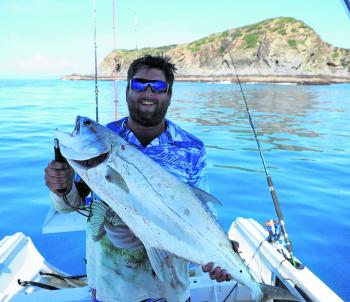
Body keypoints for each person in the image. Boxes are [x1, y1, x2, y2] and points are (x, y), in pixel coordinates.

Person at [45, 55, 233, 302]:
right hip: (110, 290)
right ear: (127, 90)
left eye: (157, 86)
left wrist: (222, 254)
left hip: (170, 293)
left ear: (169, 94)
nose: (147, 92)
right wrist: (61, 187)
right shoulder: (104, 137)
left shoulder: (190, 148)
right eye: (138, 84)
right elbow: (70, 206)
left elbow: (204, 214)